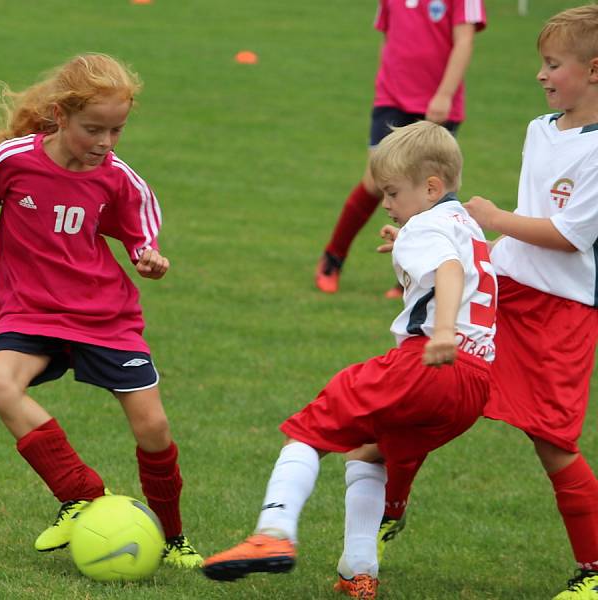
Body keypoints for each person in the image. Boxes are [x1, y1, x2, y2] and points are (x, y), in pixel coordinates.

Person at [202, 121, 497, 599]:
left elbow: (445, 268)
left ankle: (271, 532)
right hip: (474, 386)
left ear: (431, 187)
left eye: (393, 192)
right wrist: (405, 240)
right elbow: (458, 264)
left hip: (428, 363)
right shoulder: (465, 224)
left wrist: (442, 331)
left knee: (307, 430)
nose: (386, 203)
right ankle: (359, 570)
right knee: (369, 451)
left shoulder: (425, 229)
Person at [0, 53, 202, 568]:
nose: (105, 143)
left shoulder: (117, 176)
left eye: (117, 130)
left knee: (153, 429)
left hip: (104, 315)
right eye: (93, 129)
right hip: (30, 311)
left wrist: (149, 260)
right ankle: (79, 490)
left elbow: (140, 233)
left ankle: (173, 538)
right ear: (60, 117)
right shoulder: (14, 158)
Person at [462, 6, 598, 597]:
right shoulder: (539, 129)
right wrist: (462, 246)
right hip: (506, 290)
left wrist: (496, 219)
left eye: (553, 64)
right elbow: (525, 220)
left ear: (594, 70)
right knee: (430, 382)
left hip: (560, 314)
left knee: (551, 441)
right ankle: (381, 511)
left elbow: (569, 235)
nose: (542, 76)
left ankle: (594, 568)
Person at [315, 0, 486, 298]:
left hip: (437, 103)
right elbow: (390, 37)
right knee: (377, 180)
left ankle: (413, 271)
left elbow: (465, 40)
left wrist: (444, 94)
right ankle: (333, 257)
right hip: (391, 99)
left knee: (429, 192)